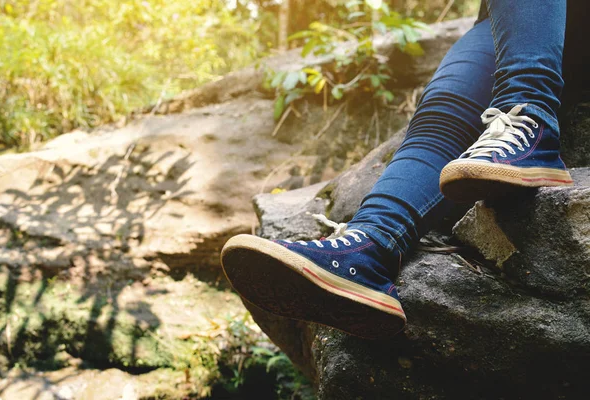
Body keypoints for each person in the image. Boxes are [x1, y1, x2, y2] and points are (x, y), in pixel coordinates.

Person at [220, 0, 573, 340]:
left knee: (494, 92)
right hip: (518, 20)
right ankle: (366, 251)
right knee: (442, 118)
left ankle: (531, 118)